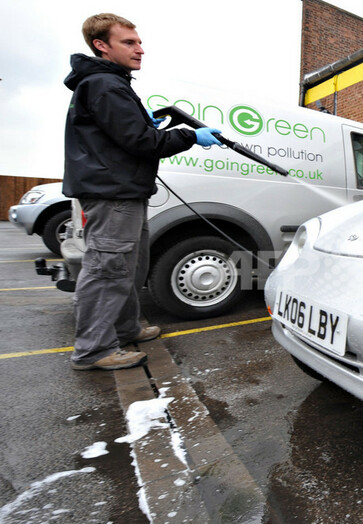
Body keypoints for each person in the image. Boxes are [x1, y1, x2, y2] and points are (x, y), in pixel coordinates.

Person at [63, 13, 222, 370]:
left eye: (139, 42)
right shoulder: (104, 84)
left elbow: (125, 132)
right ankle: (93, 350)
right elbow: (140, 141)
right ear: (101, 46)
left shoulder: (108, 83)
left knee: (130, 267)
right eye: (129, 43)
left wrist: (142, 121)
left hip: (124, 190)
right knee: (108, 269)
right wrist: (189, 136)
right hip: (112, 193)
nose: (140, 50)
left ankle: (126, 327)